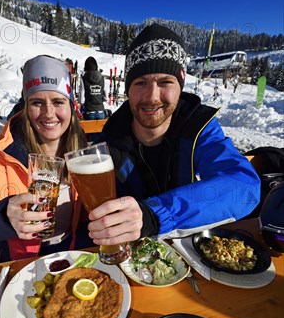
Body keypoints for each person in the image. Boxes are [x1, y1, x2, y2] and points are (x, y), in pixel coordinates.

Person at [86, 24, 261, 249]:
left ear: (180, 87)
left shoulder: (197, 127)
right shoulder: (108, 141)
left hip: (188, 255)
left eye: (165, 82)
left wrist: (155, 215)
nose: (152, 96)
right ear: (127, 90)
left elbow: (243, 186)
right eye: (140, 83)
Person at [0, 55, 91, 262]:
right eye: (37, 102)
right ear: (25, 107)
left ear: (71, 106)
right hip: (22, 256)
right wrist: (5, 216)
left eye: (58, 101)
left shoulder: (81, 145)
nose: (49, 113)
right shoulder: (2, 152)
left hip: (73, 247)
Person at [79, 56, 107, 120]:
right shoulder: (102, 78)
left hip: (89, 111)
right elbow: (106, 98)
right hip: (100, 111)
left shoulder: (84, 79)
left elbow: (81, 100)